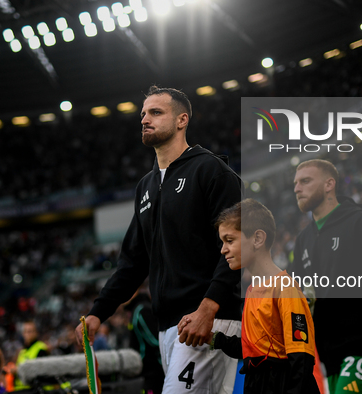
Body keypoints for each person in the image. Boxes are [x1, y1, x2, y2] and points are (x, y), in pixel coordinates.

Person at [76, 86, 242, 393]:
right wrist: (98, 312)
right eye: (142, 114)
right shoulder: (146, 186)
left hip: (208, 318)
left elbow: (238, 246)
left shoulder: (212, 170)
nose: (144, 119)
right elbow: (132, 263)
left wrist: (208, 308)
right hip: (167, 326)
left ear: (182, 120)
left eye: (155, 112)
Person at [290, 159, 362, 394]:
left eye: (305, 181)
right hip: (329, 357)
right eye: (295, 183)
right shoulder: (303, 239)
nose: (296, 188)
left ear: (329, 184)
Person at [199, 198, 320, 393]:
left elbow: (301, 358)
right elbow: (252, 349)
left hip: (283, 384)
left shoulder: (285, 288)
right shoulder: (252, 291)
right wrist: (213, 338)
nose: (223, 249)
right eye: (222, 242)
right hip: (256, 384)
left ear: (257, 239)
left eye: (230, 240)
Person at [13, 321, 49, 390]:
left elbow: (40, 371)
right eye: (25, 331)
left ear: (36, 333)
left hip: (35, 389)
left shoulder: (41, 348)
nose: (27, 334)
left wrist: (18, 370)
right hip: (23, 389)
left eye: (30, 331)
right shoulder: (23, 351)